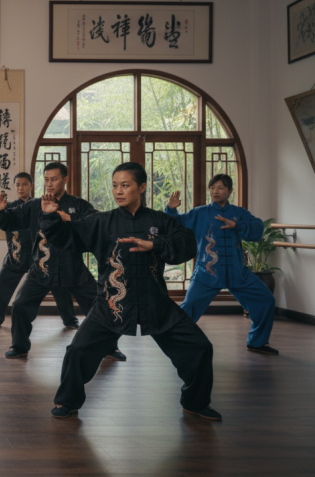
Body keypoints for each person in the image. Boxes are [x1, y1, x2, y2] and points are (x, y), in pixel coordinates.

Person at [41, 162, 220, 421]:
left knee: (200, 347)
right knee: (78, 350)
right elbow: (67, 236)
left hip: (155, 303)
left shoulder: (160, 220)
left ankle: (195, 401)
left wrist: (155, 244)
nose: (118, 191)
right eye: (115, 186)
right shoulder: (101, 221)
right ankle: (67, 401)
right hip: (112, 304)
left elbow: (188, 242)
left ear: (142, 187)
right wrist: (49, 217)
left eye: (125, 185)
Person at [0, 162, 125, 361]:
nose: (49, 183)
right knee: (20, 305)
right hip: (41, 268)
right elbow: (10, 221)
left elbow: (96, 222)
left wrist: (70, 218)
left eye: (54, 179)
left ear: (65, 180)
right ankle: (19, 346)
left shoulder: (78, 205)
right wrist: (0, 212)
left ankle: (110, 346)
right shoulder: (34, 205)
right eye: (46, 179)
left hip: (73, 267)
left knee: (99, 305)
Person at [165, 175, 278, 355]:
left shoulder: (239, 213)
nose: (215, 191)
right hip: (207, 272)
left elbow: (257, 228)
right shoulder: (200, 212)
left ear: (230, 191)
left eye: (221, 188)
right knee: (189, 307)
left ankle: (257, 342)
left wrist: (237, 225)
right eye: (212, 188)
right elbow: (175, 225)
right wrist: (171, 210)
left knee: (266, 300)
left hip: (237, 272)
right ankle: (175, 341)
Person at [0, 172, 79, 329]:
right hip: (16, 256)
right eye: (18, 185)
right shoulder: (10, 207)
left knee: (60, 285)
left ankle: (70, 320)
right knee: (0, 286)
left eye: (24, 184)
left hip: (39, 258)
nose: (21, 188)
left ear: (31, 186)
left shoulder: (40, 206)